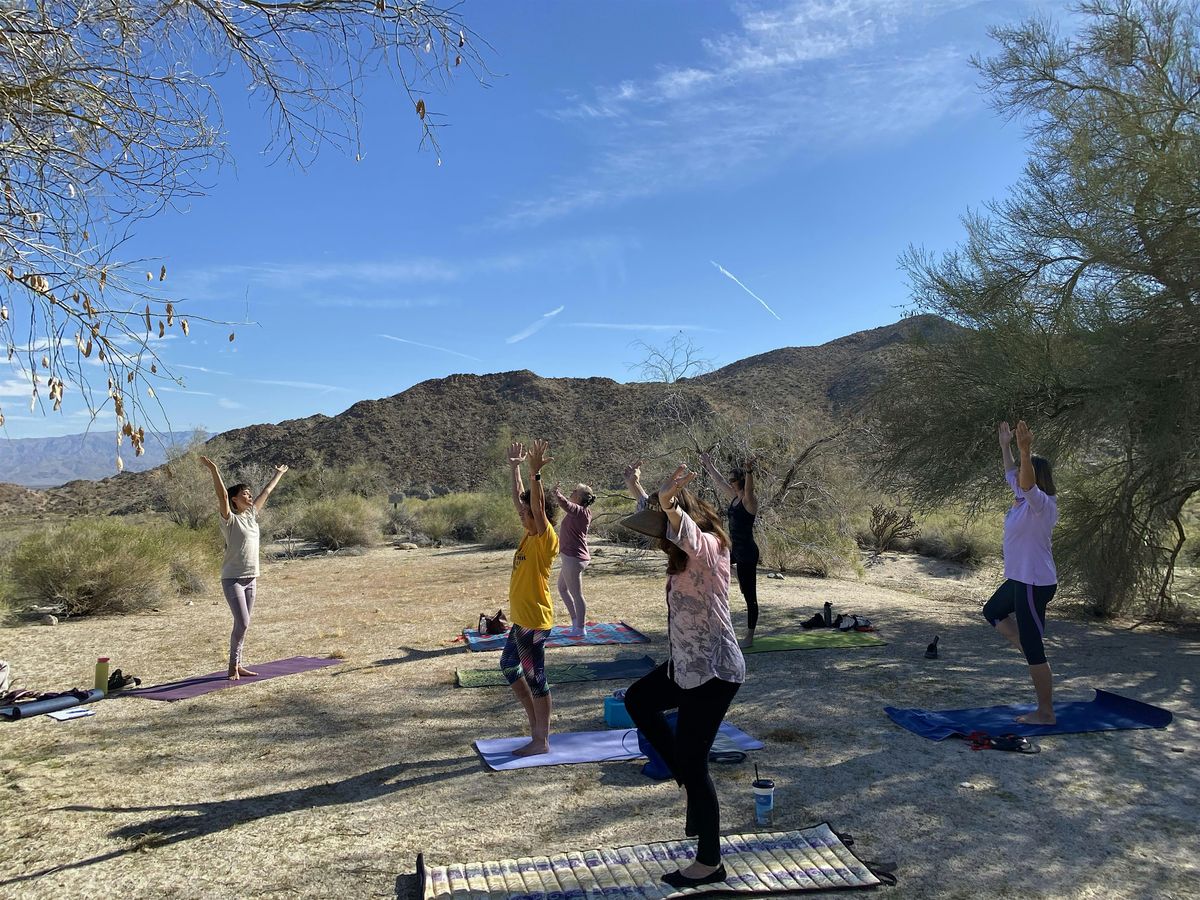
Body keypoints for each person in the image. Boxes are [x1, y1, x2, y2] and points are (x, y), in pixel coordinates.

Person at [622, 462, 746, 889]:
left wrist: (672, 507)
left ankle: (710, 862)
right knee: (638, 700)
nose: (661, 542)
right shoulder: (681, 555)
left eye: (665, 531)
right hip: (684, 667)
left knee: (697, 765)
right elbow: (663, 522)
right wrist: (641, 490)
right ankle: (686, 776)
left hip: (714, 671)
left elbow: (688, 534)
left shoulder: (710, 547)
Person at [984, 420, 1059, 724]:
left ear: (1036, 479)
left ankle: (1045, 712)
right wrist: (1006, 447)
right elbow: (1012, 473)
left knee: (1034, 648)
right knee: (992, 611)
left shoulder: (1042, 504)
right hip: (1020, 579)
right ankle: (1030, 648)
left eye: (1025, 473)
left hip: (1034, 582)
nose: (1017, 478)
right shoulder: (1020, 498)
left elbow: (1026, 482)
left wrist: (1025, 451)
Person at [199, 456, 288, 680]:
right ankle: (232, 666)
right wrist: (214, 470)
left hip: (251, 578)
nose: (250, 496)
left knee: (244, 625)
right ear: (235, 500)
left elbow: (266, 493)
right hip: (233, 579)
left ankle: (239, 665)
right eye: (245, 494)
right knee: (243, 621)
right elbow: (221, 494)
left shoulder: (251, 516)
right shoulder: (230, 519)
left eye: (249, 493)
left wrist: (278, 474)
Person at [502, 439, 560, 757]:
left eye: (528, 513)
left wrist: (535, 474)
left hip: (534, 622)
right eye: (522, 513)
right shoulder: (528, 534)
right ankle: (535, 727)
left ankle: (541, 739)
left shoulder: (544, 537)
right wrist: (516, 470)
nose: (522, 515)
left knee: (536, 677)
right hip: (521, 620)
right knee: (509, 666)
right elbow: (521, 500)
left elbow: (535, 506)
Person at [700, 452, 759, 648]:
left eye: (733, 479)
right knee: (711, 564)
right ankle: (732, 574)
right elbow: (718, 480)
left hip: (748, 553)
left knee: (749, 595)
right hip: (735, 550)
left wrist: (749, 470)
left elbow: (749, 490)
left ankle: (749, 638)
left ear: (741, 480)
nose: (730, 482)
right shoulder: (733, 498)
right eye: (730, 479)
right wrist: (708, 464)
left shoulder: (748, 501)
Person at [552, 482, 596, 636]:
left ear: (578, 496)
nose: (571, 492)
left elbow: (565, 504)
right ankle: (576, 622)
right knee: (562, 589)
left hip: (574, 558)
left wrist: (557, 493)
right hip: (572, 557)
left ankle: (580, 628)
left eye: (574, 491)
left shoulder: (580, 512)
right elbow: (569, 506)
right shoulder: (581, 511)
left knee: (577, 594)